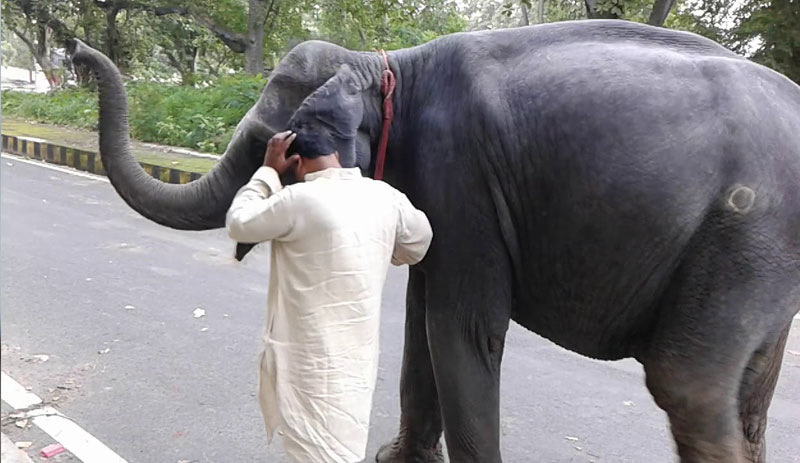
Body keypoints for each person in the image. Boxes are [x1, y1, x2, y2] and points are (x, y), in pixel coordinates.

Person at [225, 128, 433, 463]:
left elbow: (239, 223)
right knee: (344, 444)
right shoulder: (384, 197)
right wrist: (383, 248)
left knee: (314, 450)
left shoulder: (297, 200)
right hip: (357, 364)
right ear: (336, 155)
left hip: (306, 364)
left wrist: (266, 172)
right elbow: (419, 242)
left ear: (296, 163)